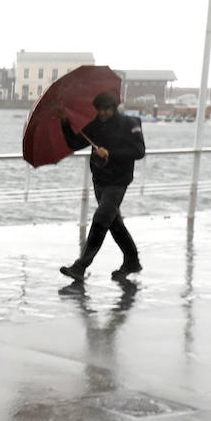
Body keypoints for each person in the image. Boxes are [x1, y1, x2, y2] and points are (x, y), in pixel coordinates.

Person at [58, 91, 145, 281]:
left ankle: (81, 266)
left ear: (113, 108)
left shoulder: (131, 124)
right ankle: (132, 261)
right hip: (100, 180)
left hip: (119, 181)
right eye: (99, 110)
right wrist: (65, 122)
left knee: (101, 217)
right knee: (114, 224)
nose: (102, 114)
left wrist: (110, 153)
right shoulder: (95, 126)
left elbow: (139, 151)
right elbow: (74, 143)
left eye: (105, 110)